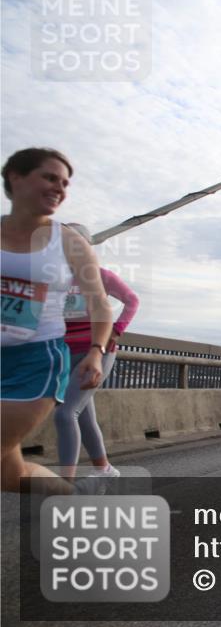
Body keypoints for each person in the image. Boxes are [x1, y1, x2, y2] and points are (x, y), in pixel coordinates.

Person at [1, 148, 113, 495]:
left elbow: (100, 304)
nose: (60, 188)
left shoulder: (68, 242)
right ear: (15, 178)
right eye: (50, 177)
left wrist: (96, 352)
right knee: (9, 474)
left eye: (65, 183)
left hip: (36, 360)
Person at [54, 223, 139, 479]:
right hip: (67, 352)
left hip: (98, 351)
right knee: (82, 415)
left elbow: (132, 300)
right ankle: (104, 470)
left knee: (65, 413)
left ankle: (64, 484)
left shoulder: (101, 276)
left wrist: (117, 330)